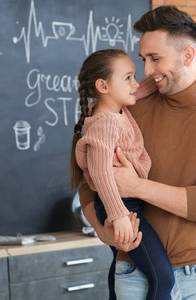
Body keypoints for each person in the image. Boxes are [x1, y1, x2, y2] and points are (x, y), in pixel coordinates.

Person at [78, 5, 196, 300]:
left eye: (155, 58)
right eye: (143, 59)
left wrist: (137, 186)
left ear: (188, 55)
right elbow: (87, 175)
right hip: (134, 275)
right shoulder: (128, 104)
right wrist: (101, 228)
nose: (146, 71)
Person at [70, 49, 175, 300]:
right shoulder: (107, 121)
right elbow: (101, 172)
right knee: (163, 279)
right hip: (120, 206)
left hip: (122, 204)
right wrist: (118, 215)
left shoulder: (108, 107)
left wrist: (189, 76)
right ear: (102, 85)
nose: (135, 83)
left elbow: (142, 89)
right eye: (128, 77)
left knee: (120, 265)